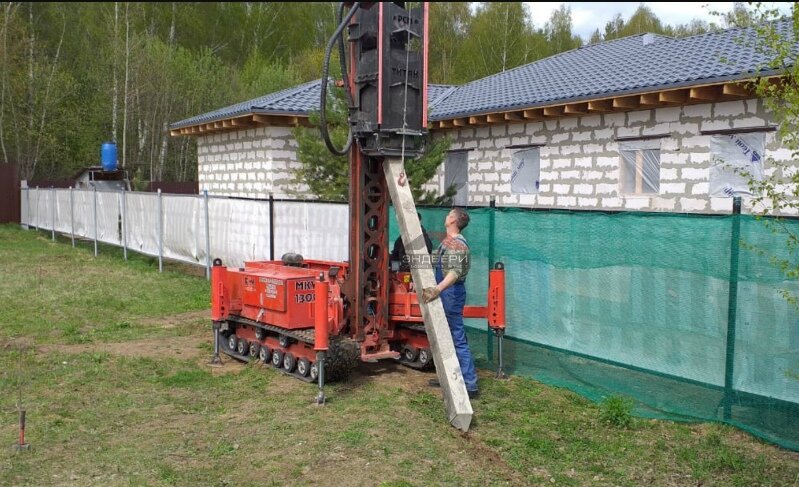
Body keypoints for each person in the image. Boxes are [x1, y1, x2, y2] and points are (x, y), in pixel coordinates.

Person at [422, 207, 479, 400]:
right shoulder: (448, 242)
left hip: (451, 293)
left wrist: (437, 290)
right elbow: (437, 262)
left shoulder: (457, 244)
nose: (446, 216)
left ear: (453, 220)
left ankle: (470, 384)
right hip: (447, 292)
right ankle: (449, 377)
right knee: (444, 337)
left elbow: (454, 273)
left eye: (449, 214)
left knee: (456, 337)